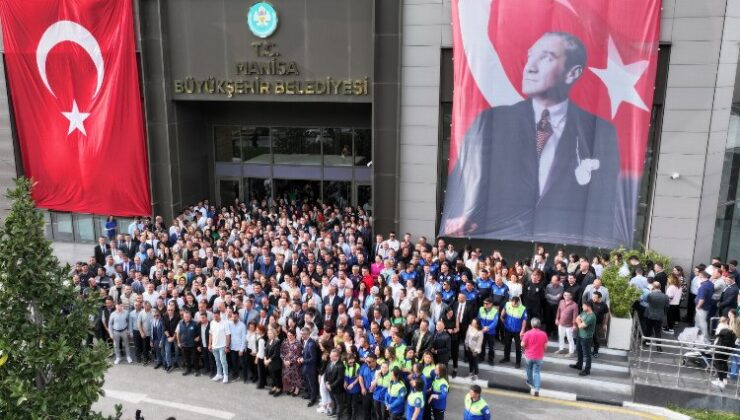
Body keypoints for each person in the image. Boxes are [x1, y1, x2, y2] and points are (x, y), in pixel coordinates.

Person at [441, 31, 621, 248]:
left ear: (572, 73)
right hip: (496, 244)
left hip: (562, 249)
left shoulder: (600, 131)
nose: (530, 67)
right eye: (530, 56)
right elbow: (464, 184)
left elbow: (603, 205)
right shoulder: (492, 122)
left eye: (546, 57)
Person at [522, 317, 548, 397]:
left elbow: (522, 344)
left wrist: (524, 349)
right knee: (536, 372)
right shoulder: (544, 334)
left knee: (529, 369)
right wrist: (543, 351)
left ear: (531, 325)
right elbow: (545, 347)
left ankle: (531, 383)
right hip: (539, 356)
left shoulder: (527, 333)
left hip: (529, 356)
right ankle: (537, 389)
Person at [499, 296, 528, 368]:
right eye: (512, 303)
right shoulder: (508, 304)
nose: (513, 305)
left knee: (518, 347)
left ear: (518, 302)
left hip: (517, 331)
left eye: (514, 304)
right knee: (507, 344)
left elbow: (524, 321)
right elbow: (503, 312)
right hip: (508, 329)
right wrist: (502, 318)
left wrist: (522, 331)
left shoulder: (522, 308)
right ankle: (506, 358)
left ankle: (518, 362)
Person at [569, 302, 595, 376]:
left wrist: (580, 322)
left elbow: (581, 326)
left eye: (584, 306)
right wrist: (580, 322)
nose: (582, 307)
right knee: (579, 350)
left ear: (588, 307)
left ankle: (587, 370)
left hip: (586, 337)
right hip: (580, 335)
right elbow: (577, 318)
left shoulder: (591, 317)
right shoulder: (584, 312)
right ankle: (579, 365)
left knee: (587, 354)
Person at [711, 316, 737, 390]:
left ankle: (721, 381)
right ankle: (723, 379)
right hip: (727, 351)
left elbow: (717, 336)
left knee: (718, 364)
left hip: (720, 350)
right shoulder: (734, 333)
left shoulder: (724, 330)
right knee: (724, 363)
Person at [209, 310, 231, 383]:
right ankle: (219, 374)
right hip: (214, 346)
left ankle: (226, 376)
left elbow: (228, 335)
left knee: (223, 362)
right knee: (217, 361)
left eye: (216, 316)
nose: (215, 317)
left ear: (219, 315)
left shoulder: (225, 322)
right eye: (214, 316)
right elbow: (211, 334)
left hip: (222, 346)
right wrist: (210, 344)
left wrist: (227, 346)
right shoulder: (212, 322)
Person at [299, 327, 319, 406]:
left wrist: (303, 360)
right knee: (307, 382)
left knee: (312, 384)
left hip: (310, 368)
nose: (301, 336)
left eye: (303, 334)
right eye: (301, 334)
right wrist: (301, 358)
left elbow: (313, 358)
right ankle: (309, 395)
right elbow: (304, 354)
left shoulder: (311, 344)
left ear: (308, 334)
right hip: (305, 367)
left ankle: (313, 399)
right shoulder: (305, 341)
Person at [281, 329, 303, 397]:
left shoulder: (298, 343)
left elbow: (298, 355)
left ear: (294, 335)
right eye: (288, 335)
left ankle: (297, 389)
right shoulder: (285, 342)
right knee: (288, 376)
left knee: (296, 376)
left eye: (291, 335)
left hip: (295, 363)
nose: (289, 337)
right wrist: (284, 360)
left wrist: (290, 361)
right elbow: (281, 352)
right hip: (285, 363)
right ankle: (292, 387)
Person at [555, 290, 578, 357]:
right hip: (561, 323)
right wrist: (557, 319)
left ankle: (571, 352)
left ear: (571, 296)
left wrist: (574, 325)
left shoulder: (574, 305)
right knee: (561, 337)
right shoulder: (561, 302)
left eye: (568, 295)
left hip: (569, 325)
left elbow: (575, 315)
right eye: (565, 295)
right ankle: (561, 349)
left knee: (570, 338)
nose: (566, 296)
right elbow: (558, 311)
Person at [476, 298, 499, 365]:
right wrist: (483, 327)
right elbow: (479, 319)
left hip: (491, 332)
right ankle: (481, 357)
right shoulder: (481, 309)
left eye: (486, 303)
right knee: (481, 345)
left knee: (491, 347)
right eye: (484, 303)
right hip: (482, 331)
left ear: (491, 304)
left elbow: (495, 322)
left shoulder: (495, 311)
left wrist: (488, 328)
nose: (485, 305)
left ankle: (491, 360)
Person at [588, 291, 610, 358]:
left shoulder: (604, 305)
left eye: (595, 297)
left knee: (596, 338)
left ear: (600, 298)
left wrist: (605, 324)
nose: (593, 298)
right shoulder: (590, 301)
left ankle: (595, 351)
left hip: (598, 324)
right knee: (588, 337)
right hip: (589, 323)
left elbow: (606, 314)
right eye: (592, 296)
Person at [176, 310, 198, 375]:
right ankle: (188, 370)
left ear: (190, 316)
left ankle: (196, 370)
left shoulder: (194, 323)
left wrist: (198, 337)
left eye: (188, 316)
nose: (186, 318)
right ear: (183, 316)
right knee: (186, 359)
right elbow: (177, 333)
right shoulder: (180, 323)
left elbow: (199, 332)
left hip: (192, 344)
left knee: (195, 358)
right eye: (185, 316)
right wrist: (178, 342)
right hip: (184, 344)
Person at [358, 353, 379, 420]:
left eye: (369, 362)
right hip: (366, 392)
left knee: (376, 412)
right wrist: (362, 387)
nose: (367, 363)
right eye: (366, 361)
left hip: (376, 393)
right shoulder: (364, 366)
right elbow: (360, 376)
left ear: (375, 360)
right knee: (366, 410)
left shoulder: (380, 369)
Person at [325, 348, 345, 417]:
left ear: (337, 357)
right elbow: (326, 373)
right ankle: (334, 411)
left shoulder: (340, 366)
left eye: (332, 356)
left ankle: (339, 415)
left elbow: (340, 379)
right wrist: (326, 382)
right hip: (329, 386)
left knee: (339, 402)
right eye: (330, 355)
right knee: (333, 400)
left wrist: (331, 386)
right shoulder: (330, 362)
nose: (330, 356)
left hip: (337, 388)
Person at [265, 327, 283, 397]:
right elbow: (266, 350)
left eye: (271, 333)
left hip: (275, 362)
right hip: (269, 362)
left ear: (274, 333)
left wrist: (268, 360)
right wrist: (265, 359)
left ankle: (279, 388)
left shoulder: (277, 341)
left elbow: (276, 354)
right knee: (272, 376)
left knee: (277, 376)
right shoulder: (268, 340)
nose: (269, 334)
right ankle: (274, 386)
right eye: (268, 333)